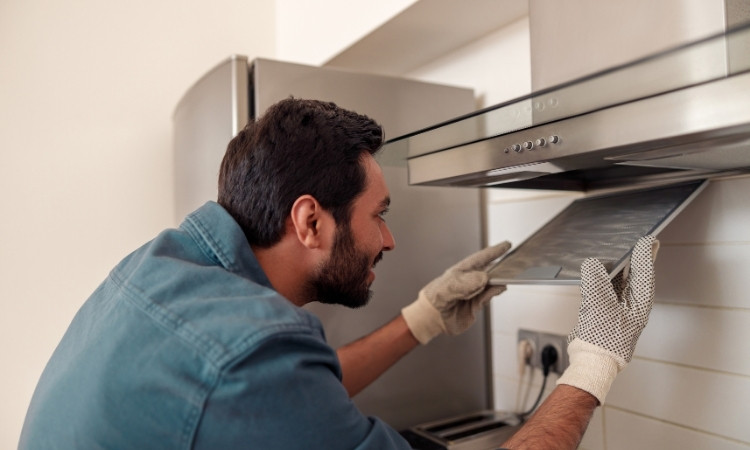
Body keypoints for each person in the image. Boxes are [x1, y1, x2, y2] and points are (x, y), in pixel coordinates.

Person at [19, 98, 659, 449]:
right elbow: (256, 374)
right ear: (309, 222)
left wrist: (424, 317)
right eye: (378, 215)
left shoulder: (164, 270)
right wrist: (595, 363)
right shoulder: (251, 347)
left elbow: (284, 390)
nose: (389, 238)